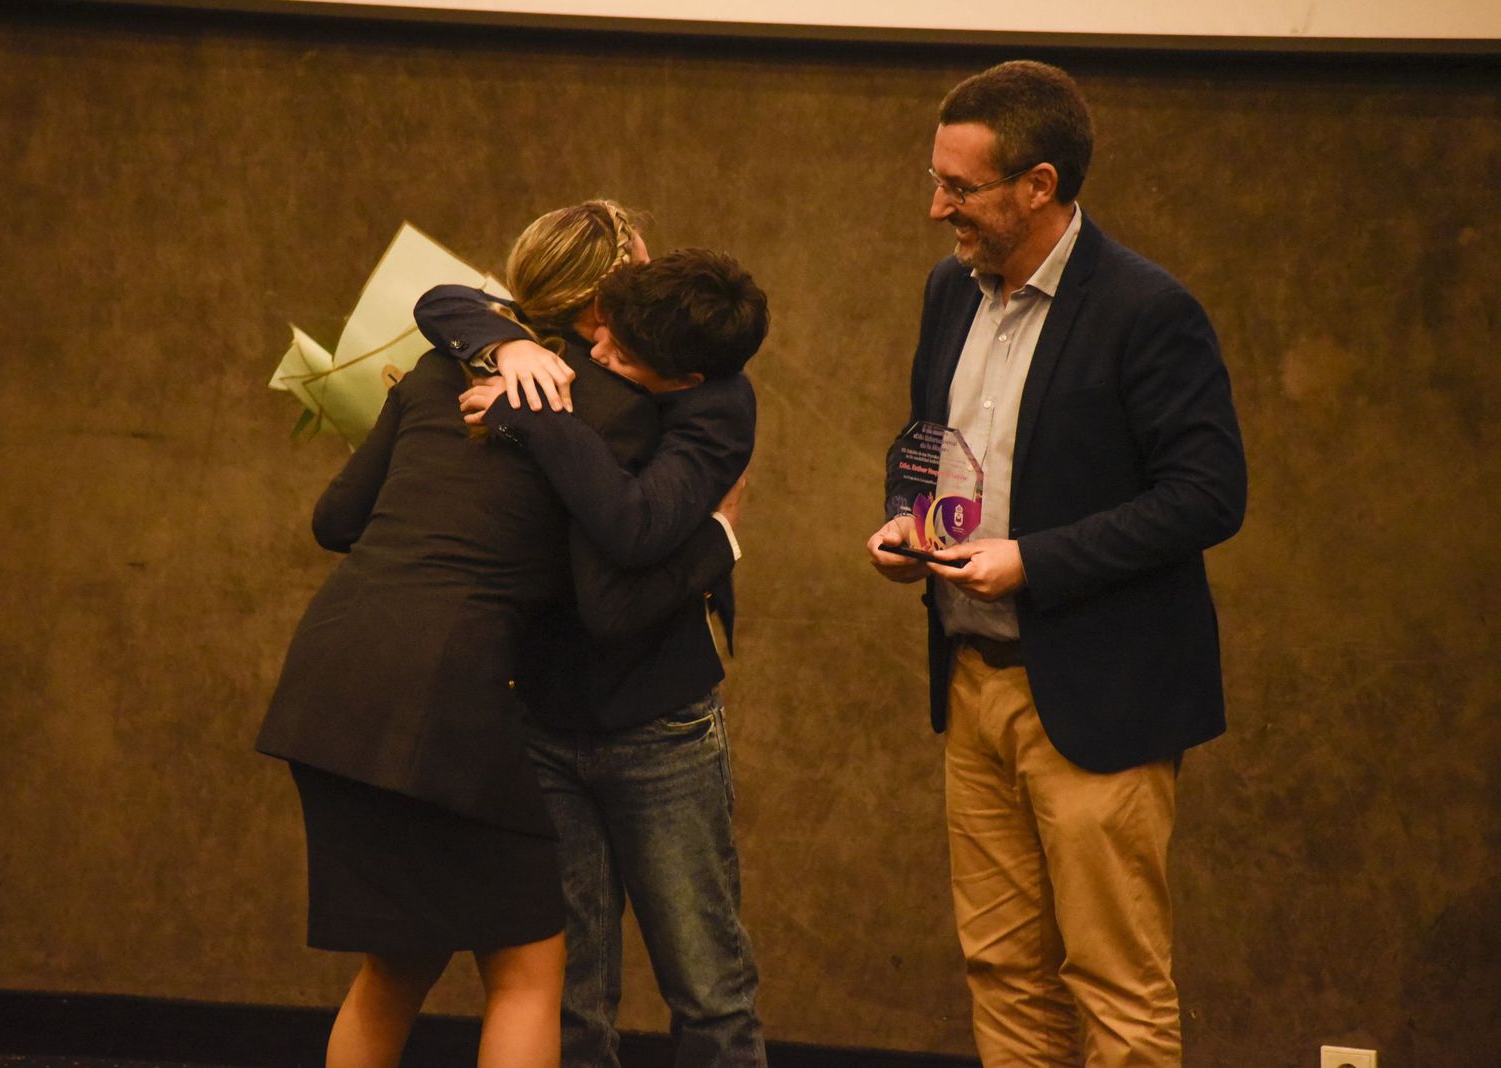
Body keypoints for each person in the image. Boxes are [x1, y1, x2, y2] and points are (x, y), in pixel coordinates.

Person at [255, 201, 735, 1068]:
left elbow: (335, 519)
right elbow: (608, 591)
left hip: (329, 678)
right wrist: (720, 541)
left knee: (394, 970)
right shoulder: (619, 411)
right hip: (450, 699)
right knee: (525, 973)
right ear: (607, 298)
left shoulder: (442, 372)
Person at [864, 60, 1246, 1067]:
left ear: (1038, 185)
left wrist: (1031, 560)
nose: (934, 204)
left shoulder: (1145, 309)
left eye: (960, 187)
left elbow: (1207, 497)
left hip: (1096, 697)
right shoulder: (949, 291)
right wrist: (907, 525)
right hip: (973, 685)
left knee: (1112, 984)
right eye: (935, 176)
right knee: (1000, 969)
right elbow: (934, 446)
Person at [416, 244, 771, 1067]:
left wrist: (532, 414)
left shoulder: (717, 408)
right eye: (597, 334)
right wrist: (512, 349)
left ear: (679, 381)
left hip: (659, 729)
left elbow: (632, 527)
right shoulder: (593, 334)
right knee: (570, 995)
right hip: (541, 716)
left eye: (617, 354)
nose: (595, 355)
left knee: (709, 989)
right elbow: (441, 298)